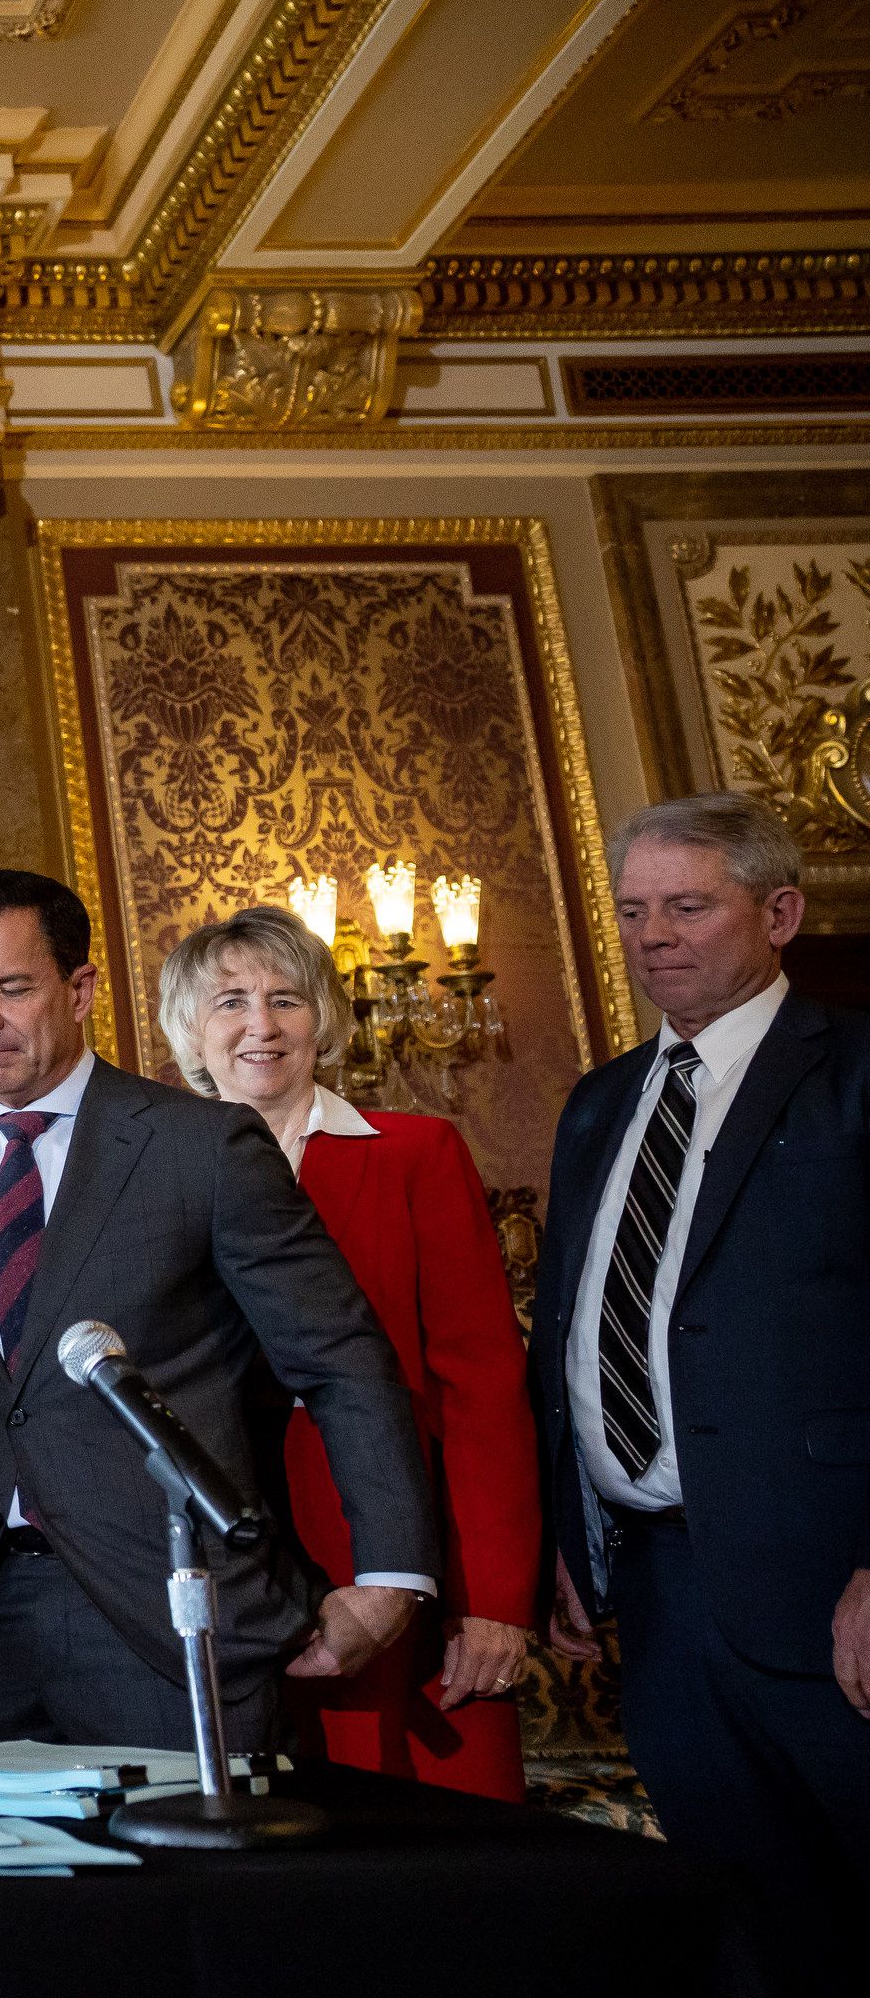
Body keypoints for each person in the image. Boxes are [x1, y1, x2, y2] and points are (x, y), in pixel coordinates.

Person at [0, 869, 438, 1753]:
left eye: (12, 987)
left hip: (172, 1612)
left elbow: (339, 1358)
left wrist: (391, 1574)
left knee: (193, 1893)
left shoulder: (202, 1147)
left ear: (80, 988)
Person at [529, 792, 869, 1985]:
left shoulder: (857, 1072)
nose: (652, 934)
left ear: (779, 912)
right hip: (661, 1599)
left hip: (836, 1595)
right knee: (748, 1932)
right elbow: (567, 1327)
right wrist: (569, 1527)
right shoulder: (598, 1102)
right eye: (631, 910)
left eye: (687, 905)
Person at [156, 906, 539, 1800]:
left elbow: (482, 1385)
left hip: (393, 1556)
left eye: (286, 999)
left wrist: (490, 1596)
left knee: (421, 1863)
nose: (261, 1026)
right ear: (189, 1029)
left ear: (323, 1017)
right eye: (230, 1002)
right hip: (219, 1570)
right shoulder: (149, 1177)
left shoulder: (416, 1154)